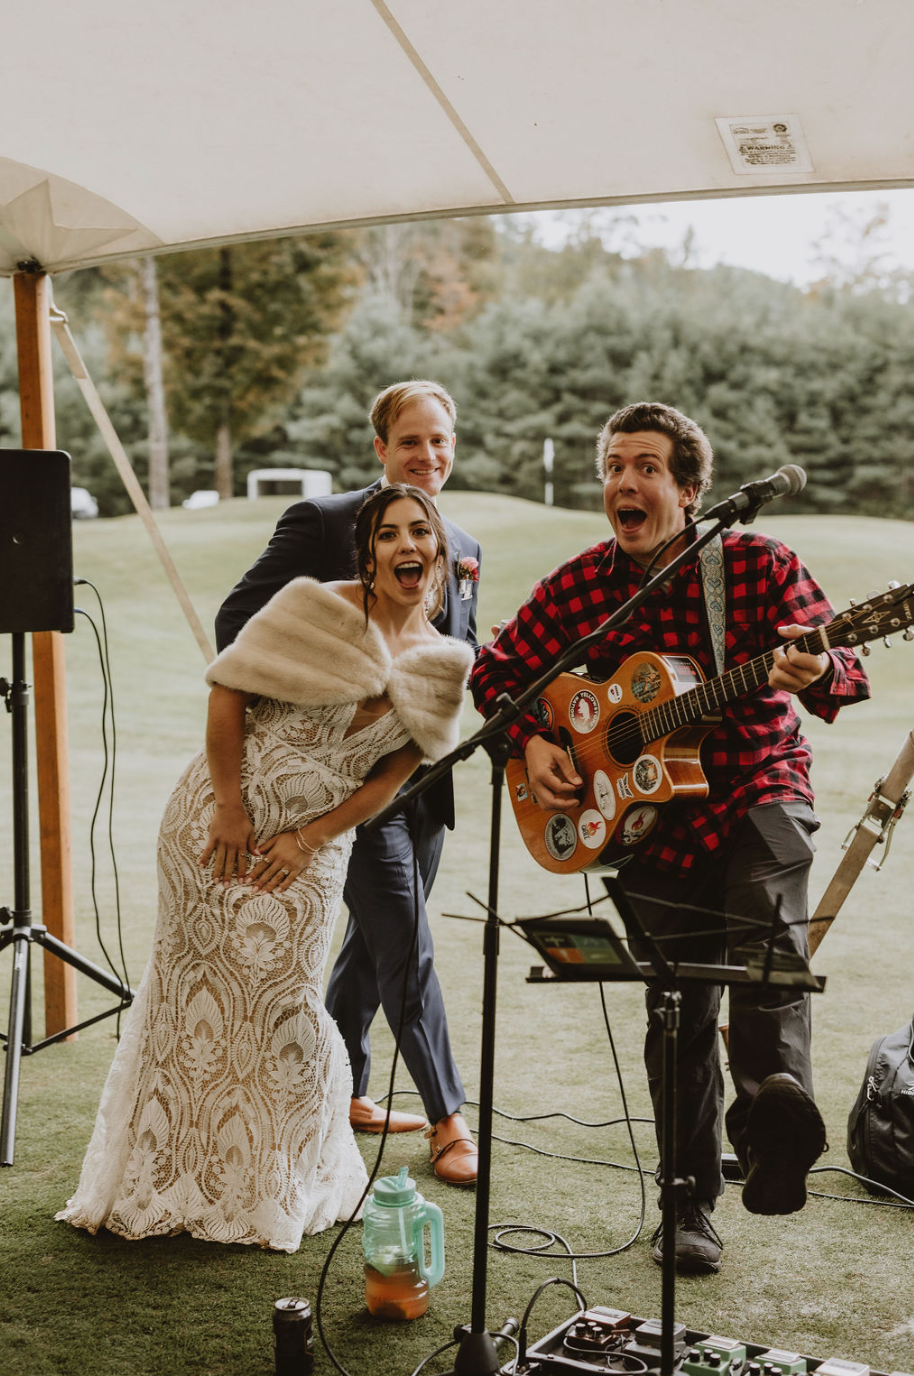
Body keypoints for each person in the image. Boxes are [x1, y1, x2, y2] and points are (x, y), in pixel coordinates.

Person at [470, 401, 870, 1273]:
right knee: (677, 1012)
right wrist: (531, 742)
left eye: (646, 467)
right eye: (615, 466)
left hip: (759, 785)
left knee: (766, 935)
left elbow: (845, 675)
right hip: (651, 824)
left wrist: (819, 664)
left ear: (689, 491)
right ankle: (687, 1208)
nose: (625, 482)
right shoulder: (582, 585)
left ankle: (771, 1116)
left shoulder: (758, 565)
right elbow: (496, 673)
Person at [57, 485, 474, 1251]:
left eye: (422, 532)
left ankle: (265, 1181)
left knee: (284, 1005)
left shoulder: (447, 663)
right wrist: (229, 807)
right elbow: (227, 691)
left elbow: (390, 779)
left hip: (312, 853)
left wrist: (310, 837)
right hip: (214, 826)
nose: (406, 545)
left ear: (439, 554)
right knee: (189, 997)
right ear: (370, 554)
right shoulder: (313, 607)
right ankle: (164, 1174)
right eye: (389, 535)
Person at [215, 381, 481, 1186]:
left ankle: (345, 1088)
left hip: (419, 783)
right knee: (408, 945)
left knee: (375, 945)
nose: (427, 457)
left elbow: (454, 649)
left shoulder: (462, 541)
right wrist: (327, 718)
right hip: (341, 791)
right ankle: (449, 1120)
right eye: (410, 442)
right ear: (380, 449)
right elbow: (239, 625)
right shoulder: (326, 523)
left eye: (440, 441)